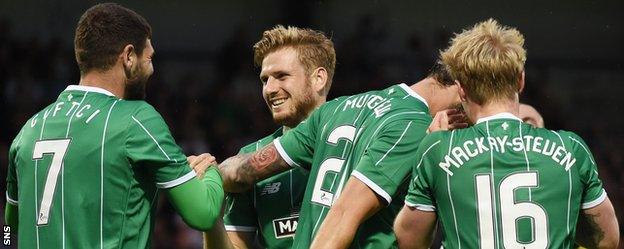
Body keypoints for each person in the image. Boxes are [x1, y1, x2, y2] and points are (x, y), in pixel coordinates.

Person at [4, 3, 225, 248]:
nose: (152, 70)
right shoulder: (137, 119)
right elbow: (203, 213)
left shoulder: (29, 129)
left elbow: (9, 225)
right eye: (149, 58)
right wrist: (213, 171)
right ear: (129, 56)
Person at [394, 19, 619, 249]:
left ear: (461, 89)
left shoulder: (438, 149)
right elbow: (607, 240)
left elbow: (409, 241)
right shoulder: (571, 148)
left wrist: (431, 151)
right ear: (521, 80)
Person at [216, 57, 466, 248]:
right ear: (463, 88)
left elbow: (239, 172)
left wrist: (211, 176)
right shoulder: (413, 124)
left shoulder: (336, 109)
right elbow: (346, 214)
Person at [209, 25, 335, 249]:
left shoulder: (359, 139)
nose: (270, 89)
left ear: (319, 78)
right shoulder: (248, 156)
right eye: (265, 80)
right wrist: (210, 220)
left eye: (281, 76)